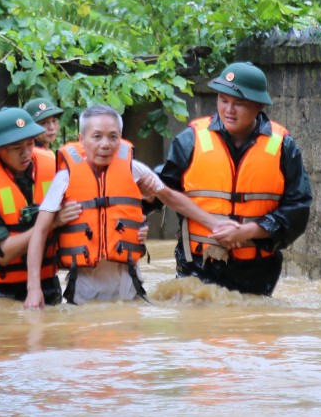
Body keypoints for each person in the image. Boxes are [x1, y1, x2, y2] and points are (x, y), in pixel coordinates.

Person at [23, 103, 226, 308]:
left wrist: (215, 224)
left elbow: (171, 198)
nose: (106, 144)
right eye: (97, 136)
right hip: (84, 285)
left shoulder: (133, 169)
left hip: (128, 284)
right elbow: (39, 232)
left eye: (113, 136)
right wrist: (34, 289)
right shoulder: (64, 178)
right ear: (82, 140)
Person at [155, 61, 312, 296]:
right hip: (197, 264)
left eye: (239, 103)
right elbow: (162, 191)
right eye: (223, 100)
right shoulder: (191, 140)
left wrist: (247, 232)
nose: (229, 110)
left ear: (259, 105)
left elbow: (297, 208)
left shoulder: (282, 146)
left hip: (257, 270)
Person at [0, 106, 78, 305]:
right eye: (17, 148)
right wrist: (50, 223)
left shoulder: (53, 166)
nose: (26, 153)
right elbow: (3, 254)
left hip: (46, 285)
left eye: (30, 144)